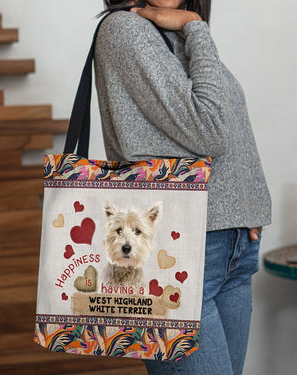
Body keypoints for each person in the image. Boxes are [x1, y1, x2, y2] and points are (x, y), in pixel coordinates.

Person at [93, 1, 272, 374]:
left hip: (232, 249)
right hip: (177, 252)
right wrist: (196, 26)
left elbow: (231, 122)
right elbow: (210, 129)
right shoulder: (126, 30)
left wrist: (247, 210)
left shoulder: (173, 32)